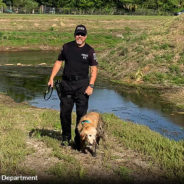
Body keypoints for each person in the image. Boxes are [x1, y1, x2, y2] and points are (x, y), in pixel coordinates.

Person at [48, 25, 98, 149]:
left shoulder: (90, 51)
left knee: (81, 116)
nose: (79, 36)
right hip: (67, 85)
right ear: (74, 35)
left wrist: (91, 85)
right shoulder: (66, 47)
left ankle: (78, 141)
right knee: (65, 113)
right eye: (77, 34)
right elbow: (59, 62)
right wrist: (51, 78)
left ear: (85, 36)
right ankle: (65, 139)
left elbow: (94, 69)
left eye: (81, 34)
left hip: (82, 86)